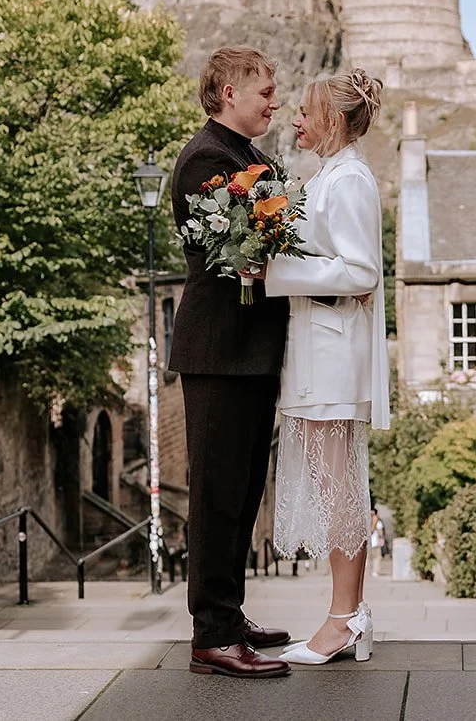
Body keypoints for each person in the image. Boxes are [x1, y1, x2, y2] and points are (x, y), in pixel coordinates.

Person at [169, 47, 294, 679]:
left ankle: (229, 611)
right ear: (226, 92)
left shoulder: (254, 158)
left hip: (250, 350)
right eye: (264, 92)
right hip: (219, 350)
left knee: (244, 492)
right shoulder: (206, 161)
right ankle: (211, 635)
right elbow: (231, 254)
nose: (274, 102)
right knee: (218, 493)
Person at [261, 68, 391, 665]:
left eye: (305, 112)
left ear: (333, 121)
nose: (295, 120)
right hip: (318, 346)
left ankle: (343, 620)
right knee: (332, 481)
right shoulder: (329, 176)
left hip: (334, 355)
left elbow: (361, 270)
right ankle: (349, 616)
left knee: (337, 484)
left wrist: (274, 273)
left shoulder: (351, 181)